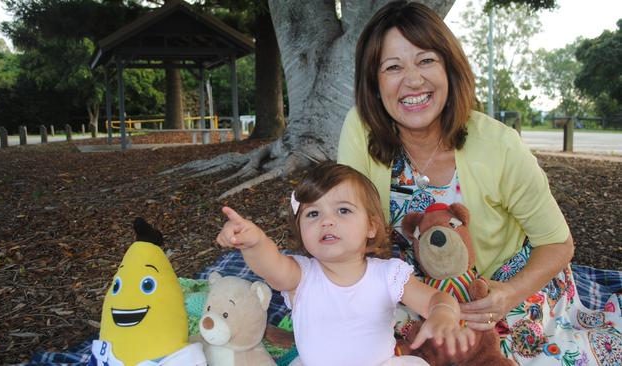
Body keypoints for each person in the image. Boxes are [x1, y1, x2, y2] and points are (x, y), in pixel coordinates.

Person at [338, 1, 621, 364]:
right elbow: (348, 222)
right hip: (411, 288)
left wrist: (509, 294)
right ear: (374, 85)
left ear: (449, 69)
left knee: (481, 354)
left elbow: (558, 243)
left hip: (498, 290)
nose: (412, 80)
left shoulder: (499, 146)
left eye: (426, 61)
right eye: (393, 67)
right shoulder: (360, 129)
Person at [217, 162, 475, 366]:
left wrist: (444, 314)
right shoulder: (300, 275)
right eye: (313, 214)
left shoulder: (388, 274)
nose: (326, 221)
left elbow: (436, 299)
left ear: (371, 226)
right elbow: (269, 264)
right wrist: (253, 242)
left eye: (343, 210)